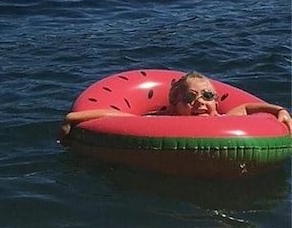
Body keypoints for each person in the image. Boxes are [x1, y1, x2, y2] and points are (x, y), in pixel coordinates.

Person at [59, 70, 292, 143]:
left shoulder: (225, 119)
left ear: (216, 100)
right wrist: (73, 118)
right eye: (190, 98)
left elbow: (248, 108)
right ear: (174, 106)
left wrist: (279, 110)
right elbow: (120, 116)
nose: (200, 102)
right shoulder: (163, 123)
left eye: (208, 95)